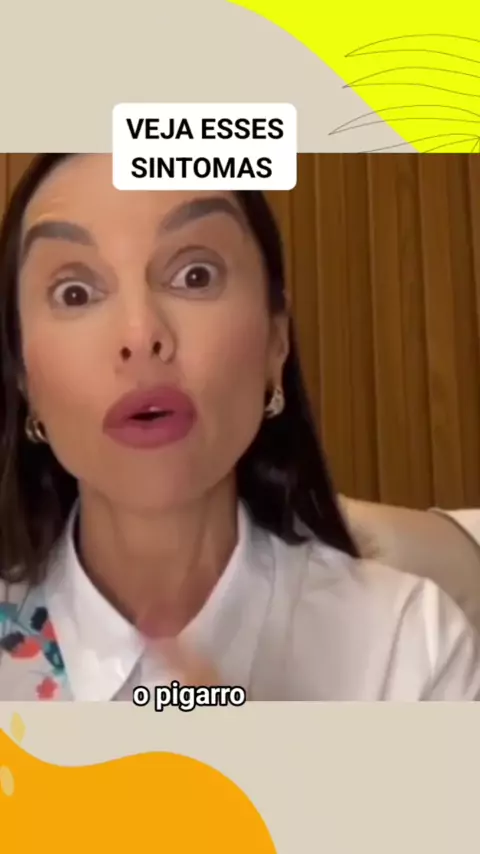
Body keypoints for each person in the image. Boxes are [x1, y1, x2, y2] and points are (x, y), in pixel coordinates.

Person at [0, 153, 479, 702]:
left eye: (195, 275)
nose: (140, 334)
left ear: (277, 340)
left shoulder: (409, 646)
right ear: (23, 376)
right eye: (75, 293)